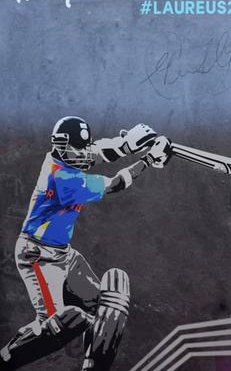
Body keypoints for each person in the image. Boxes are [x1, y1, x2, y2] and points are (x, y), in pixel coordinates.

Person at [0, 116, 171, 371]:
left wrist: (130, 143)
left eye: (83, 147)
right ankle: (5, 359)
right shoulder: (63, 178)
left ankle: (93, 365)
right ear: (60, 145)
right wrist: (146, 160)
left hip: (64, 255)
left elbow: (99, 151)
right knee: (57, 324)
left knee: (101, 306)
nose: (82, 154)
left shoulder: (66, 154)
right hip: (37, 254)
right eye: (76, 148)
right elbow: (114, 184)